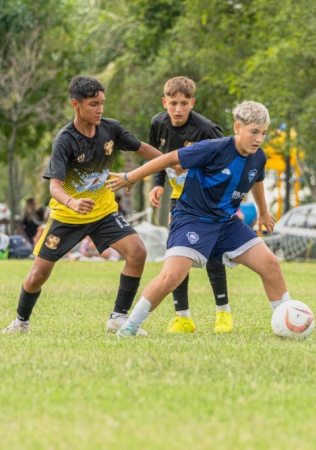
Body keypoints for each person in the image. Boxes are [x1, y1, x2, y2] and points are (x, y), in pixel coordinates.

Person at [107, 100, 293, 338]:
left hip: (227, 224)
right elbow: (167, 159)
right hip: (192, 219)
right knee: (171, 277)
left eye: (263, 133)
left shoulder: (258, 156)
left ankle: (288, 320)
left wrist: (264, 212)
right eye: (254, 132)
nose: (259, 138)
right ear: (237, 128)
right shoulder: (213, 148)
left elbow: (256, 179)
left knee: (271, 265)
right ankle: (130, 327)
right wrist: (130, 176)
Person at [2, 75, 162, 335]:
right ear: (75, 105)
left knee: (137, 252)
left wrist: (174, 161)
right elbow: (54, 186)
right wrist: (72, 202)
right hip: (67, 215)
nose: (99, 110)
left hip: (104, 212)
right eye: (93, 104)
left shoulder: (111, 129)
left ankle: (118, 318)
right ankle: (21, 321)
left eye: (102, 103)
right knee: (38, 274)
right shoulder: (64, 140)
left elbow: (141, 148)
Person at [148, 76, 232, 333]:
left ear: (192, 103)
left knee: (214, 252)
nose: (178, 109)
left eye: (184, 103)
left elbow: (228, 162)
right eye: (173, 103)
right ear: (165, 102)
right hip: (179, 199)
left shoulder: (207, 129)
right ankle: (183, 317)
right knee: (178, 253)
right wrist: (158, 182)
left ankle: (223, 314)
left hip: (207, 199)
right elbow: (157, 157)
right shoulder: (157, 124)